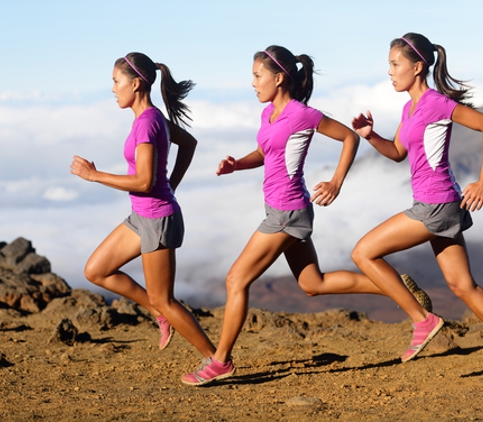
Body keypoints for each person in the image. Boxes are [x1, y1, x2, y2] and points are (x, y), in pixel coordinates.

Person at [181, 45, 431, 387]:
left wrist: (336, 182)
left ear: (279, 77)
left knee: (236, 279)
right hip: (279, 209)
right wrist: (238, 163)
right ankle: (395, 287)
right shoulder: (267, 113)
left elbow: (348, 138)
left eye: (257, 76)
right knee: (314, 283)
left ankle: (220, 361)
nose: (253, 83)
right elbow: (266, 151)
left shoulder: (301, 114)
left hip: (287, 211)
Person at [70, 52, 216, 360]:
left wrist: (95, 176)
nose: (112, 88)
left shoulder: (148, 123)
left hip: (157, 220)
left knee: (166, 300)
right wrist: (172, 184)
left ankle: (216, 359)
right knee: (97, 270)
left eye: (115, 81)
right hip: (142, 216)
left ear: (135, 83)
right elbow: (189, 144)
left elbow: (144, 182)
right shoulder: (151, 119)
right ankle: (157, 312)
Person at [351, 32, 483, 363]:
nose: (390, 71)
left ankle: (423, 321)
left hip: (435, 205)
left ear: (418, 66)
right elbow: (397, 152)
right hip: (441, 203)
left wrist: (482, 182)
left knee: (364, 253)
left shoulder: (436, 103)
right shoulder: (410, 108)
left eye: (395, 64)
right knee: (463, 287)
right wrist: (371, 136)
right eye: (389, 65)